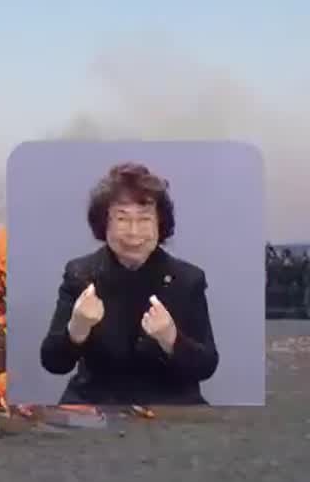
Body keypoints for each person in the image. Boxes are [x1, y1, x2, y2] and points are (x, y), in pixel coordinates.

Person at [39, 162, 218, 404]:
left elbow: (206, 366)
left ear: (160, 224)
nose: (134, 232)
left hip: (171, 407)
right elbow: (54, 363)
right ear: (104, 224)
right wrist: (78, 327)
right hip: (97, 405)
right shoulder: (80, 274)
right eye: (122, 219)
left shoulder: (188, 279)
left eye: (144, 219)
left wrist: (171, 338)